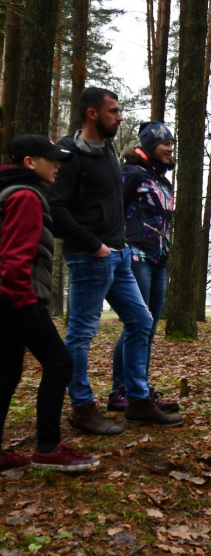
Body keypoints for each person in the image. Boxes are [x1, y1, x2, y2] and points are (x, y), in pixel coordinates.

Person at [50, 87, 182, 432]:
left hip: (119, 254)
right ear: (92, 113)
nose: (120, 117)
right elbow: (56, 207)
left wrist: (117, 245)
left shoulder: (108, 150)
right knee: (81, 333)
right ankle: (81, 407)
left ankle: (137, 400)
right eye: (113, 111)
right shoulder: (68, 153)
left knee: (141, 321)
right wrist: (94, 244)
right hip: (90, 256)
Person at [0, 135, 100, 472]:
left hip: (9, 299)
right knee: (60, 364)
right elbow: (15, 260)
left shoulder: (9, 191)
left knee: (7, 373)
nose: (57, 166)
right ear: (30, 162)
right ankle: (47, 447)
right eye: (52, 160)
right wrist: (27, 304)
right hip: (20, 298)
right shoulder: (26, 197)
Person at [108, 121, 179, 414]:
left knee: (147, 329)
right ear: (149, 146)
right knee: (136, 324)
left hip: (159, 260)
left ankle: (139, 389)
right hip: (134, 256)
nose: (170, 149)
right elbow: (114, 211)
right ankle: (120, 391)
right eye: (165, 144)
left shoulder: (164, 182)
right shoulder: (131, 174)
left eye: (172, 144)